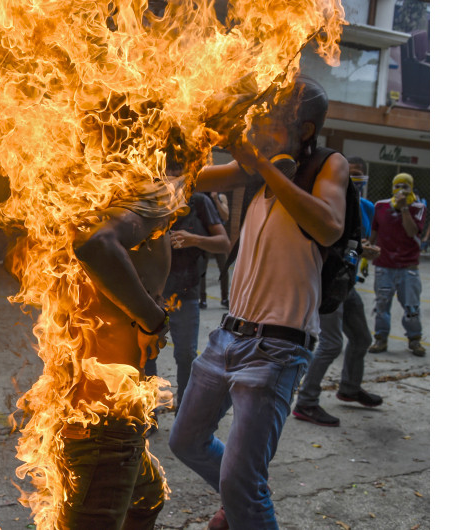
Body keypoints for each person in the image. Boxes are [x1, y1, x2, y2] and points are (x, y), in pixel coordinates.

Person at [168, 75, 348, 529]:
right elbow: (183, 182)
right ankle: (241, 498)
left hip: (278, 347)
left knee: (244, 480)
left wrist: (263, 166)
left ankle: (243, 499)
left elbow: (328, 226)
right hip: (228, 335)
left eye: (269, 121)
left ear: (303, 129)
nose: (258, 128)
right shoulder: (254, 169)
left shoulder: (328, 164)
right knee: (185, 442)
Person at [45, 174, 186, 528]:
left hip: (107, 411)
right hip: (103, 424)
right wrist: (152, 319)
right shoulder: (144, 203)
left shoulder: (93, 201)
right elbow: (97, 244)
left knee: (147, 501)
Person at [291, 156, 383, 427]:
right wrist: (356, 249)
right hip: (326, 282)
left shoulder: (365, 206)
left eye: (359, 175)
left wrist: (365, 250)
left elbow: (359, 240)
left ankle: (349, 388)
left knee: (362, 338)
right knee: (331, 343)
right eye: (350, 174)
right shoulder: (324, 201)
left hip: (347, 281)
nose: (354, 180)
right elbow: (323, 240)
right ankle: (306, 402)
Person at [144, 192, 229, 417]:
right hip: (150, 292)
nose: (171, 177)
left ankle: (184, 411)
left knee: (186, 354)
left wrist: (194, 240)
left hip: (185, 290)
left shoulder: (199, 201)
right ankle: (149, 412)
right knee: (146, 354)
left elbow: (223, 243)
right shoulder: (148, 198)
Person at [366, 172, 428, 356]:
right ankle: (381, 338)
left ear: (411, 187)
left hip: (408, 266)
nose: (401, 190)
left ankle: (414, 339)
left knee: (411, 307)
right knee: (382, 305)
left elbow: (411, 232)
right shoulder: (381, 206)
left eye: (405, 187)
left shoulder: (418, 208)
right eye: (397, 186)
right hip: (384, 265)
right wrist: (366, 255)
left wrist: (404, 209)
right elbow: (374, 233)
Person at [198, 192, 232, 309]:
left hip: (218, 237)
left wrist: (216, 200)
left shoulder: (221, 197)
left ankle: (224, 298)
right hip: (205, 236)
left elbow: (226, 216)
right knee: (202, 270)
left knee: (224, 269)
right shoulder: (201, 198)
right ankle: (202, 299)